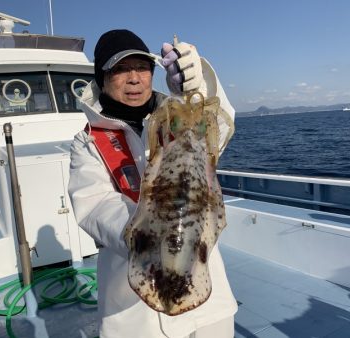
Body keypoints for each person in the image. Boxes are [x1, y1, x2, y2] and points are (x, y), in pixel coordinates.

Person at [68, 29, 237, 338]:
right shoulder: (87, 141)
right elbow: (94, 205)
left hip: (208, 306)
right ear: (102, 77)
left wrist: (196, 85)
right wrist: (149, 233)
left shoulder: (176, 117)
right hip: (134, 312)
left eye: (142, 67)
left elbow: (220, 130)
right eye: (120, 69)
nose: (134, 78)